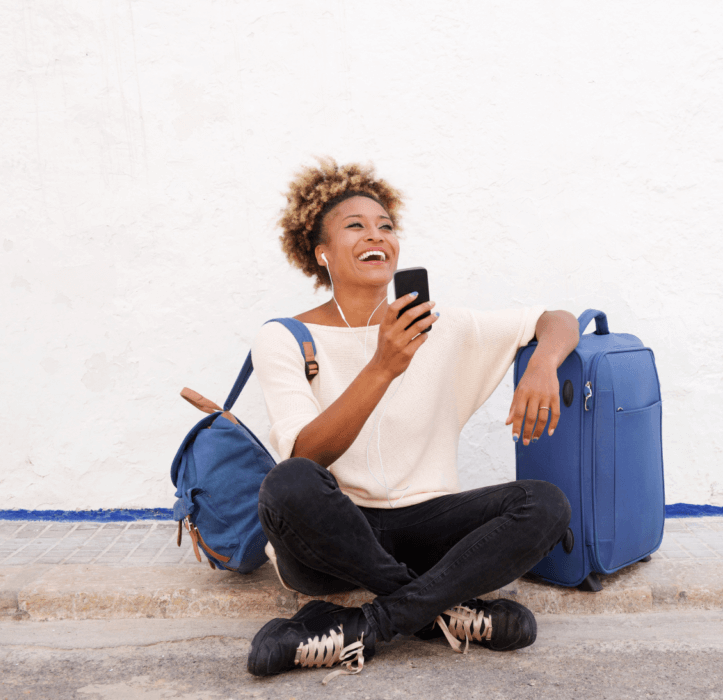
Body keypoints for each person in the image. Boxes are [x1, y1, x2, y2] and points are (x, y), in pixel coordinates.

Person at [247, 158, 579, 681]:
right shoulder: (284, 337)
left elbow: (556, 319)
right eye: (355, 226)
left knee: (545, 503)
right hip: (332, 535)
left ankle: (371, 623)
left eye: (386, 226)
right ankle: (441, 609)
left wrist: (542, 363)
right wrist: (384, 366)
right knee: (287, 482)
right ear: (322, 254)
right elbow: (306, 455)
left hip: (426, 527)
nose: (375, 235)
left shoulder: (441, 328)